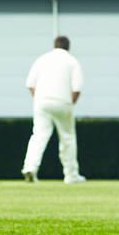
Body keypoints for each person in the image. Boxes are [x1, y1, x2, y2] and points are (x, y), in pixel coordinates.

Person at [21, 35, 85, 183]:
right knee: (67, 138)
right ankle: (71, 175)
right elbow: (77, 88)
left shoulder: (42, 59)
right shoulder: (72, 61)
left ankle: (30, 168)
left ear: (54, 45)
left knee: (38, 136)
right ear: (68, 47)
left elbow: (30, 84)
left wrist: (39, 100)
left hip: (41, 102)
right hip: (63, 102)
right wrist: (70, 104)